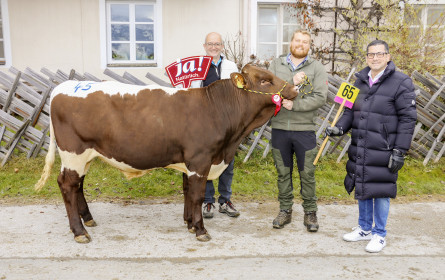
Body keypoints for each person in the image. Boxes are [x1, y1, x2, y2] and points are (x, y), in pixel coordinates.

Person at [325, 39, 417, 252]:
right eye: (370, 54)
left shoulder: (401, 82)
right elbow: (348, 112)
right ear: (366, 57)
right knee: (362, 185)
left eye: (379, 54)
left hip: (384, 148)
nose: (374, 58)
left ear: (388, 56)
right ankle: (364, 229)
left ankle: (379, 234)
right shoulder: (358, 82)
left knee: (381, 190)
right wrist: (339, 128)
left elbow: (408, 119)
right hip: (361, 145)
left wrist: (400, 150)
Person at [268, 29, 328, 232]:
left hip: (305, 130)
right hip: (280, 129)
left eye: (305, 41)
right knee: (283, 173)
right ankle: (285, 210)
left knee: (307, 174)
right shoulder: (276, 65)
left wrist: (297, 106)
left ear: (309, 45)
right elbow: (267, 91)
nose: (301, 44)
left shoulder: (317, 67)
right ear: (291, 42)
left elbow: (320, 97)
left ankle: (310, 212)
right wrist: (290, 83)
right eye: (297, 40)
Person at [190, 32, 240, 219]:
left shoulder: (231, 66)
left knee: (228, 161)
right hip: (204, 122)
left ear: (222, 46)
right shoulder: (196, 66)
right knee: (206, 161)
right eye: (210, 44)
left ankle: (225, 200)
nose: (213, 47)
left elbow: (238, 93)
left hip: (227, 122)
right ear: (204, 46)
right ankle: (208, 201)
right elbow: (189, 91)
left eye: (217, 44)